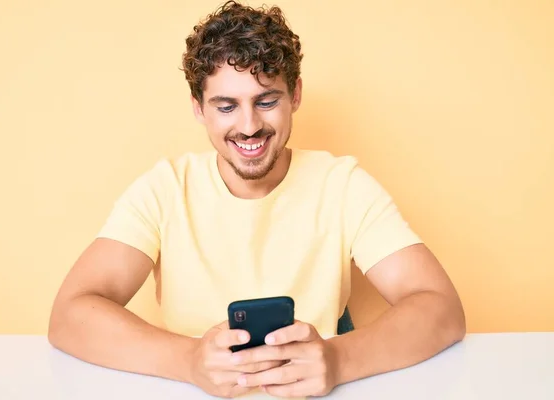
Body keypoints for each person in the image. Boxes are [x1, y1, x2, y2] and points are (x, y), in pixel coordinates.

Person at [48, 1, 466, 398]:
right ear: (198, 108)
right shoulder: (164, 189)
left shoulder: (343, 186)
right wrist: (189, 360)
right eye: (226, 106)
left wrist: (339, 359)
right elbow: (70, 315)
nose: (249, 127)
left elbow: (441, 308)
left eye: (266, 101)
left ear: (295, 95)